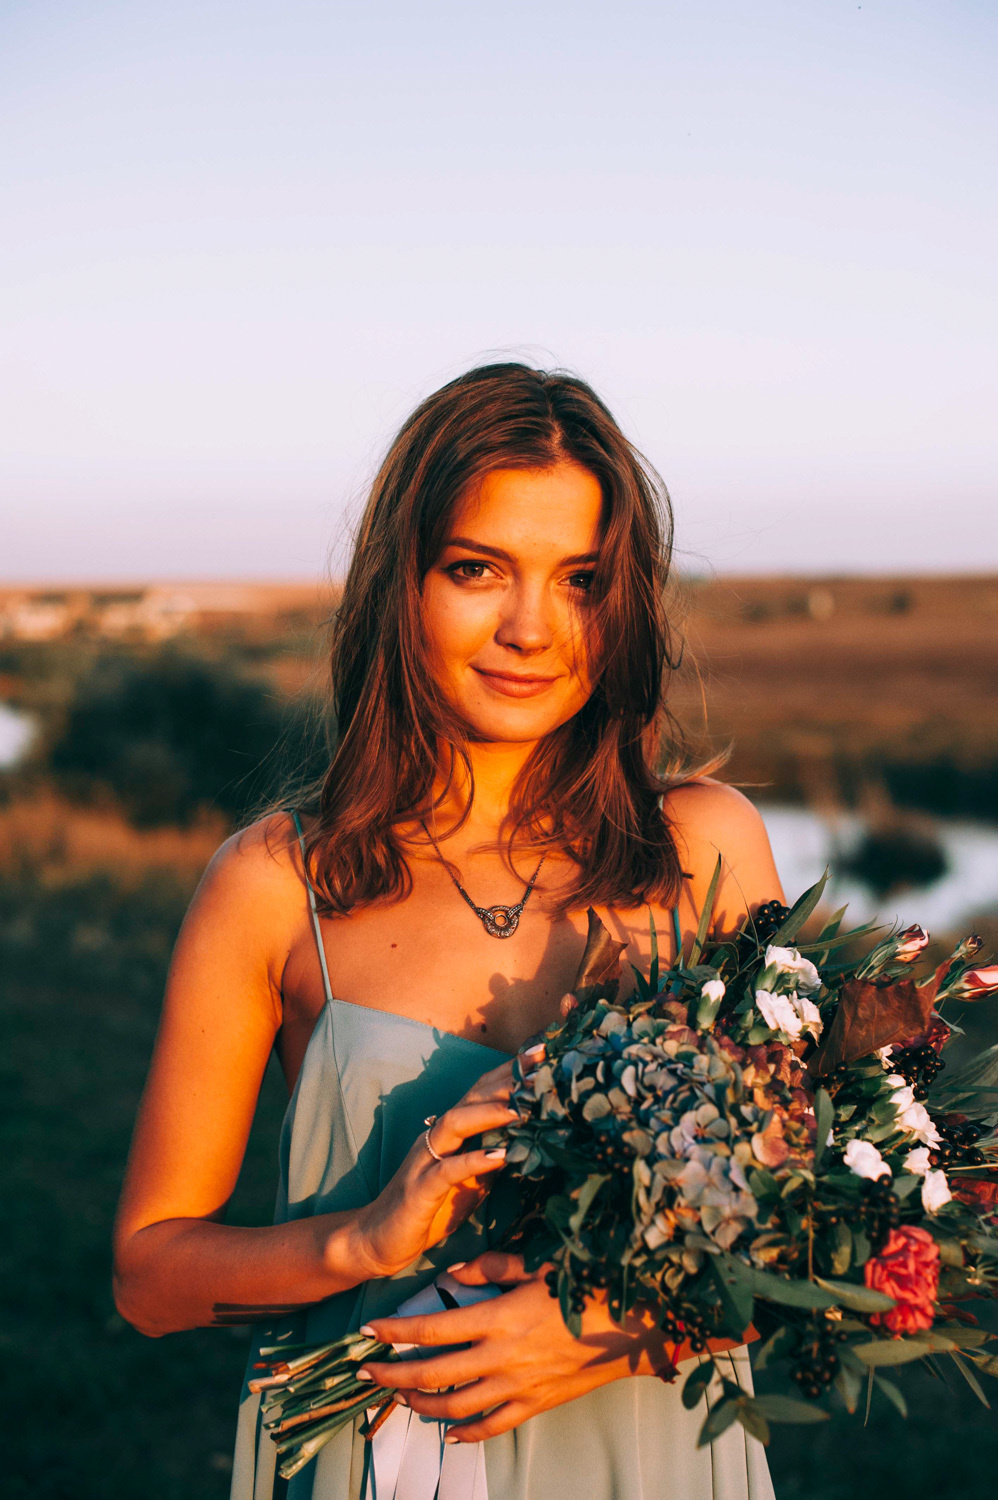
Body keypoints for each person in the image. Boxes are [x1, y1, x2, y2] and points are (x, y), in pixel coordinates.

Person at [113, 363, 781, 1500]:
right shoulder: (275, 884)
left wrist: (609, 1330)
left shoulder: (706, 845)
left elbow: (802, 1216)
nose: (530, 628)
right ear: (401, 582)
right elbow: (148, 1279)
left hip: (649, 1454)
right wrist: (359, 1242)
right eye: (477, 570)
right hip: (371, 1462)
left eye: (580, 580)